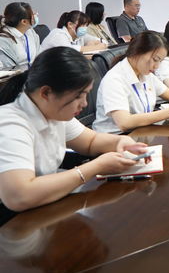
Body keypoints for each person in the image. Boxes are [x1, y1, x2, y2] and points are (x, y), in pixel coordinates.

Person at [0, 47, 150, 211]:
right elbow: (20, 196)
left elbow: (90, 141)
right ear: (46, 93)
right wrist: (96, 167)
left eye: (86, 94)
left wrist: (120, 141)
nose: (84, 103)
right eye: (78, 96)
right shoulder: (10, 124)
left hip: (45, 204)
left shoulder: (53, 111)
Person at [94, 31, 169, 133]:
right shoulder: (115, 79)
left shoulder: (145, 74)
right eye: (155, 59)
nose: (157, 66)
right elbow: (124, 123)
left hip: (142, 132)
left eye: (160, 61)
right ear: (137, 52)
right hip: (117, 138)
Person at [40, 11, 107, 54]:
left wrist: (94, 43)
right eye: (83, 25)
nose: (85, 28)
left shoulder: (79, 36)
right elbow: (70, 51)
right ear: (70, 24)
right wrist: (96, 47)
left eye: (86, 25)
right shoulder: (58, 34)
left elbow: (100, 41)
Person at [0, 2, 40, 69]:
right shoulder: (4, 40)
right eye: (32, 15)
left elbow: (39, 57)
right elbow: (8, 69)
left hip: (32, 73)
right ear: (24, 22)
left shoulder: (31, 32)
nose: (36, 15)